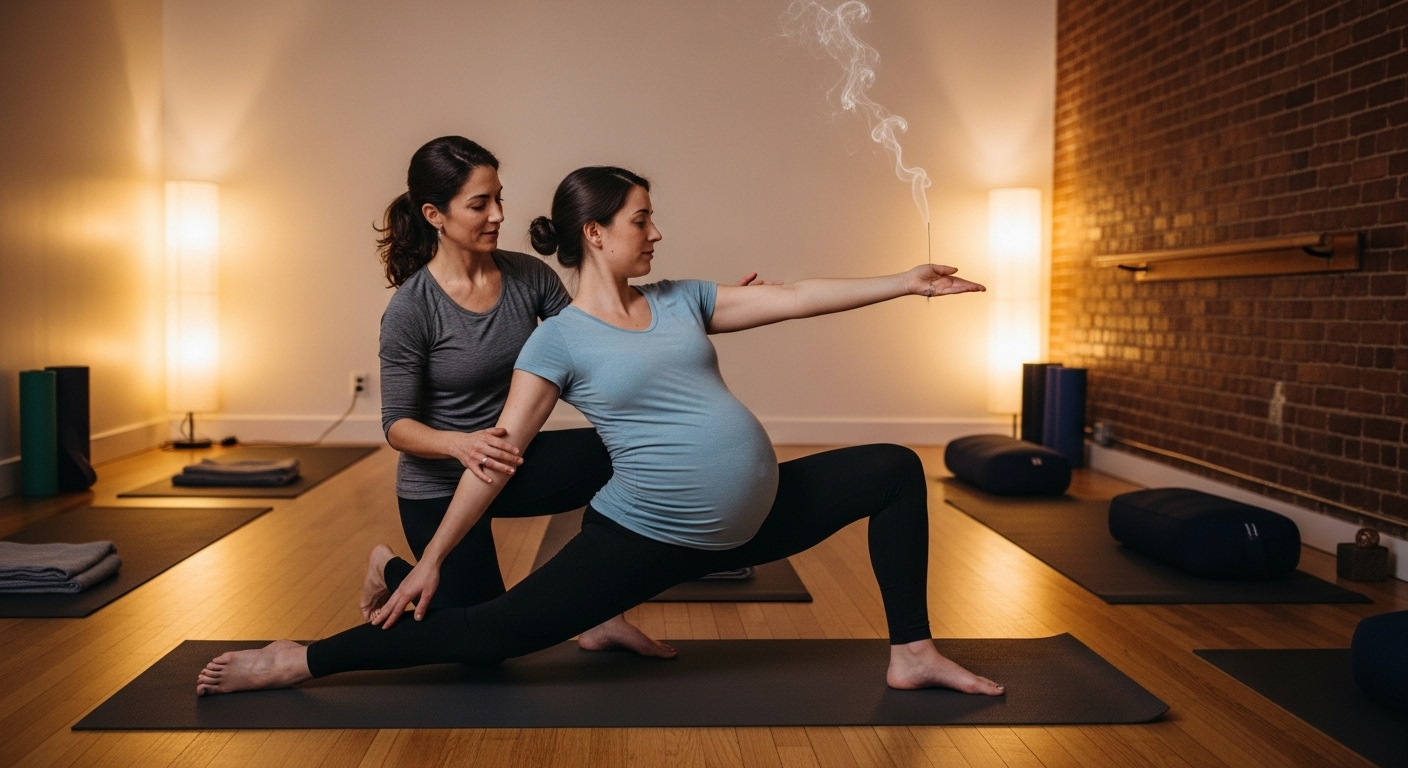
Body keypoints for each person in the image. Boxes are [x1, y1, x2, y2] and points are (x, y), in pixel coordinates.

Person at [196, 165, 1002, 697]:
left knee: (894, 467)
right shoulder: (557, 339)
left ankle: (912, 652)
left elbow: (795, 298)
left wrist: (905, 281)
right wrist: (433, 562)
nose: (656, 235)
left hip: (752, 523)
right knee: (485, 641)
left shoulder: (684, 298)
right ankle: (297, 658)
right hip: (649, 538)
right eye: (642, 221)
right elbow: (496, 459)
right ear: (596, 232)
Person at [369, 137, 769, 658]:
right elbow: (396, 425)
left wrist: (689, 319)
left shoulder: (527, 276)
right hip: (442, 485)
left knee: (627, 457)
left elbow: (595, 340)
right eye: (479, 204)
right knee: (484, 649)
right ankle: (387, 565)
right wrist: (460, 446)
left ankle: (603, 613)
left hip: (512, 463)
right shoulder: (411, 309)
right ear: (434, 214)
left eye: (499, 198)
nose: (497, 215)